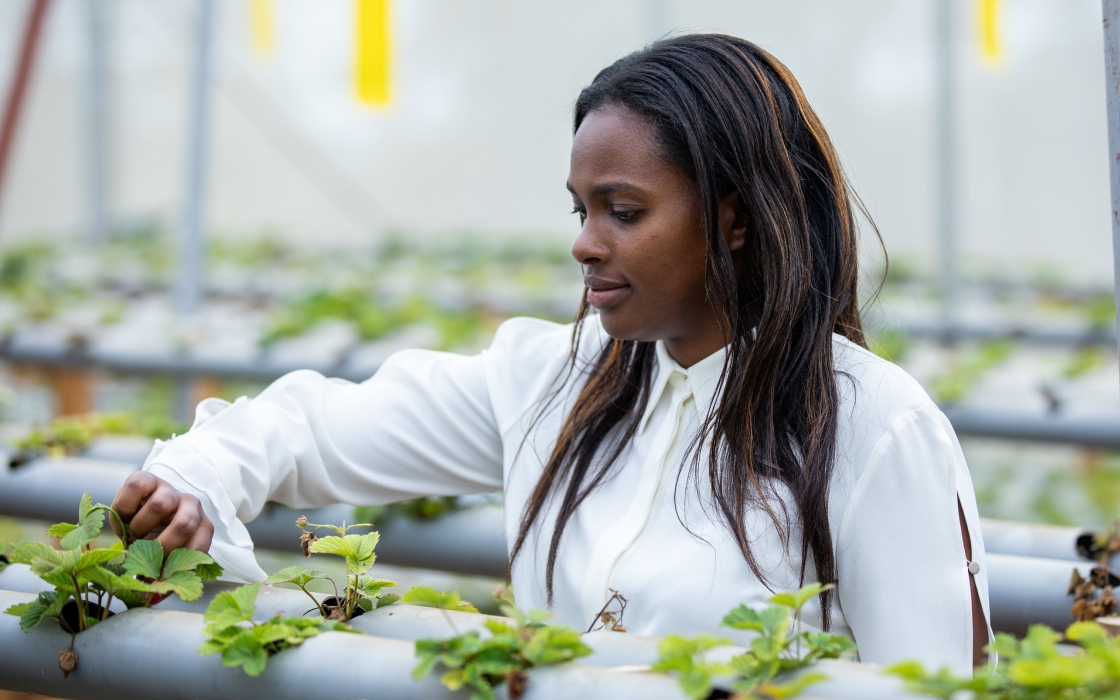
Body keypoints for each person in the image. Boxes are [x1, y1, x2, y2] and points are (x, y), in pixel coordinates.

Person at [109, 34, 990, 673]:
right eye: (582, 210)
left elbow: (928, 684)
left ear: (734, 217)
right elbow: (310, 426)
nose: (585, 244)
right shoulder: (551, 384)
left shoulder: (874, 428)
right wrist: (191, 484)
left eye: (625, 210)